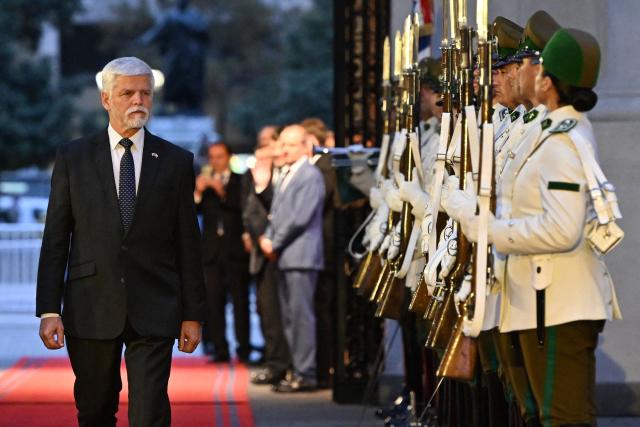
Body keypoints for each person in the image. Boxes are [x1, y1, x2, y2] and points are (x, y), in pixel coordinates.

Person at [444, 28, 622, 426]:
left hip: (557, 301)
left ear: (546, 80)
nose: (526, 73)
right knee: (535, 413)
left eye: (532, 66)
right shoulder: (547, 131)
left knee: (562, 418)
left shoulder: (563, 139)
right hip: (535, 297)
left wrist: (486, 229)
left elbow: (561, 230)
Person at [36, 56, 205, 426]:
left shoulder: (176, 161)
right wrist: (49, 309)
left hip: (156, 304)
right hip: (91, 304)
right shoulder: (73, 157)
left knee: (149, 415)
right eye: (127, 93)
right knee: (95, 411)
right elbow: (56, 237)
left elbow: (189, 243)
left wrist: (193, 313)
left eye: (145, 93)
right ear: (106, 99)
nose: (138, 100)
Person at [259, 124, 325, 392]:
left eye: (290, 145)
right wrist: (267, 237)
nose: (284, 149)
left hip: (301, 256)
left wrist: (272, 241)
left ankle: (305, 373)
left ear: (304, 146)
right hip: (287, 255)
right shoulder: (288, 172)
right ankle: (297, 370)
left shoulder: (309, 174)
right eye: (282, 144)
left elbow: (299, 217)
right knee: (290, 318)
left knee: (301, 318)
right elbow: (276, 213)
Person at [244, 129, 292, 385]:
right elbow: (250, 212)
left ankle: (281, 366)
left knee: (279, 315)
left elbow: (281, 211)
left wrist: (268, 239)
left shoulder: (280, 176)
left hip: (278, 252)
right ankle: (274, 363)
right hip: (261, 251)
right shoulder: (260, 175)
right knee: (267, 313)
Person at [195, 142, 251, 363]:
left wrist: (222, 191)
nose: (216, 160)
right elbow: (193, 212)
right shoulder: (204, 183)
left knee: (240, 302)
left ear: (229, 157)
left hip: (235, 250)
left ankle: (244, 349)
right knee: (213, 302)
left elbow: (243, 208)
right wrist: (199, 191)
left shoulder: (241, 180)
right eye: (212, 157)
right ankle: (220, 348)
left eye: (220, 156)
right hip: (211, 252)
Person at [301, 117, 340, 388]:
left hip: (323, 246)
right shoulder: (320, 167)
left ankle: (325, 368)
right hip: (318, 246)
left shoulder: (324, 167)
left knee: (322, 309)